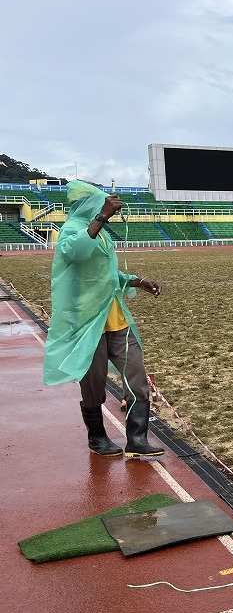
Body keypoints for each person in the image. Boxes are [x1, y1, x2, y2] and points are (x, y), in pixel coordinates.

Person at [43, 180, 165, 458]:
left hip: (118, 321)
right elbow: (76, 252)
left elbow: (108, 275)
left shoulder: (104, 235)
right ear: (89, 206)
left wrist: (137, 281)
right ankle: (97, 437)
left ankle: (137, 440)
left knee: (136, 380)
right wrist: (102, 217)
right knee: (94, 385)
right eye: (99, 204)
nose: (103, 207)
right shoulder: (71, 231)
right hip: (89, 324)